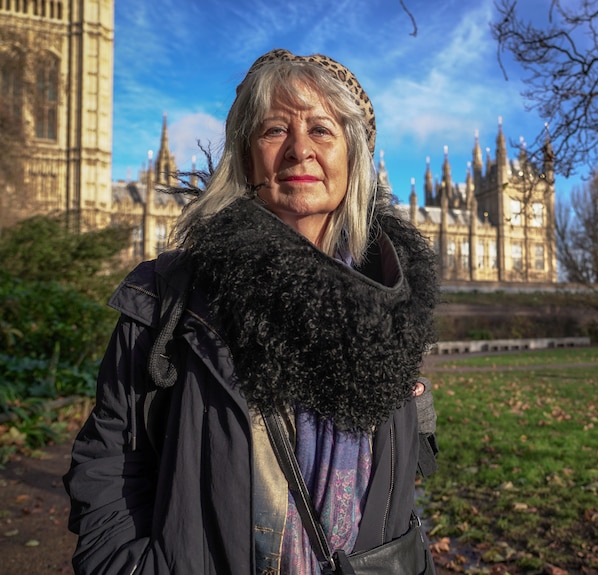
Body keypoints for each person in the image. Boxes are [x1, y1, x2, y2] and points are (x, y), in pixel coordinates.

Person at [64, 49, 439, 575]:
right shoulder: (167, 296)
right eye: (274, 130)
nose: (300, 150)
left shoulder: (392, 299)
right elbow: (108, 465)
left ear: (355, 160)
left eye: (322, 131)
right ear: (244, 156)